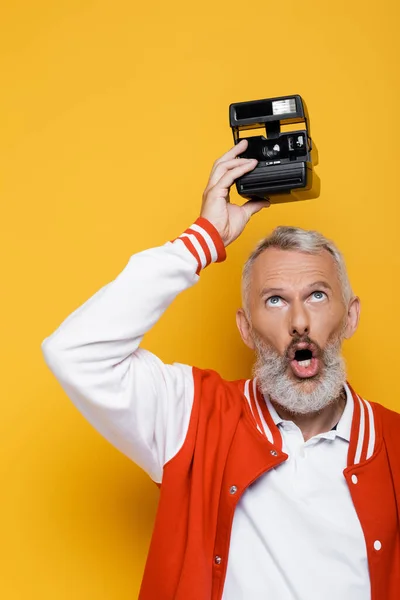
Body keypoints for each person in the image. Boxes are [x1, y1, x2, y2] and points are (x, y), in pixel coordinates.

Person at [42, 140, 400, 600]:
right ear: (246, 329)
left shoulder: (392, 445)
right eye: (274, 300)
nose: (298, 322)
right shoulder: (190, 416)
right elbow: (74, 351)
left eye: (316, 296)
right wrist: (204, 236)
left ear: (349, 316)